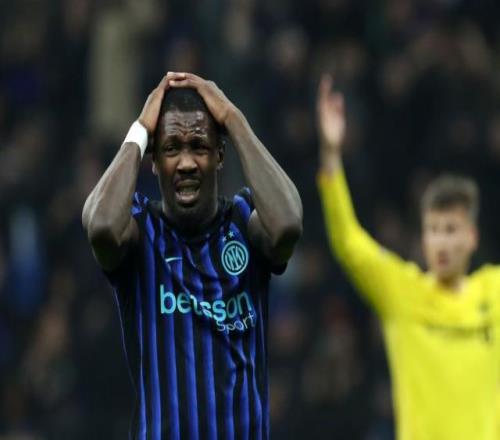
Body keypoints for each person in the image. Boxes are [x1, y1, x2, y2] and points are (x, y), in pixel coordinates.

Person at [82, 71, 302, 439]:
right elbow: (101, 226)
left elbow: (287, 226)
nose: (186, 163)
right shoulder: (141, 231)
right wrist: (140, 130)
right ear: (154, 161)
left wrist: (232, 118)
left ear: (220, 155)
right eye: (171, 149)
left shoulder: (244, 221)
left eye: (199, 146)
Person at [316, 73, 500, 440]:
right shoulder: (403, 292)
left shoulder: (493, 292)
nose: (442, 242)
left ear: (472, 237)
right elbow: (349, 242)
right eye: (434, 230)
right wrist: (331, 154)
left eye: (451, 230)